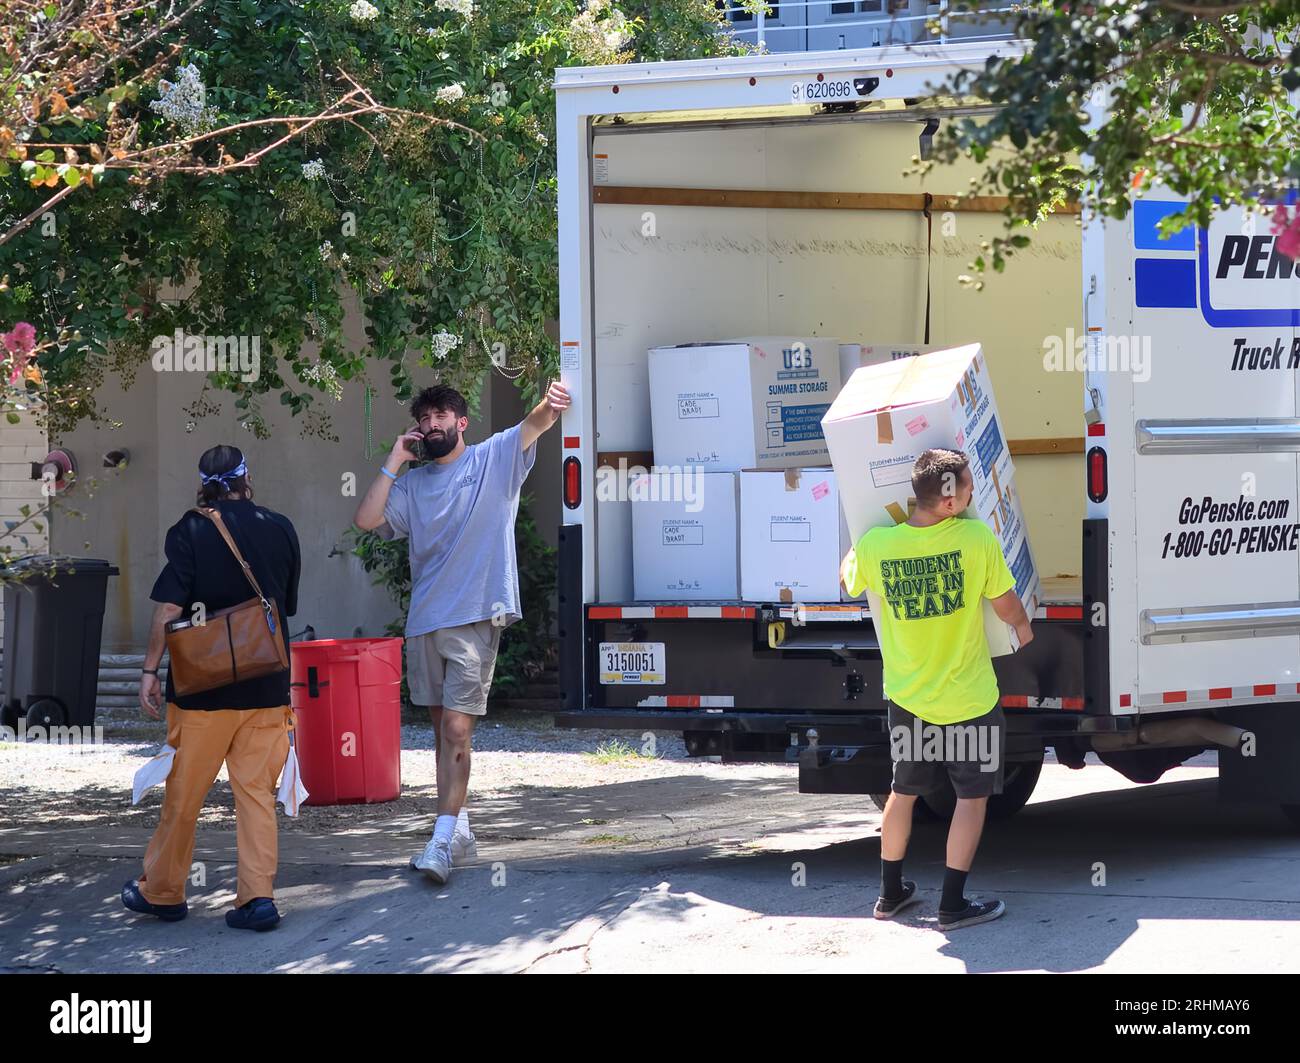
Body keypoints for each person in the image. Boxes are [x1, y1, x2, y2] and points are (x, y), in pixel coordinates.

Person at [353, 380, 570, 885]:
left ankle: (440, 841)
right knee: (441, 733)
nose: (431, 426)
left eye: (440, 417)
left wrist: (552, 400)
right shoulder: (411, 485)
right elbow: (365, 519)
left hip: (474, 617)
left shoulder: (493, 459)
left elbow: (537, 422)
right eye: (423, 420)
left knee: (457, 730)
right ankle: (461, 828)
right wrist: (394, 459)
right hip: (425, 620)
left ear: (461, 422)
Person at [840, 448, 1033, 931]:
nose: (972, 495)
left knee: (902, 792)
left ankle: (889, 895)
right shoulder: (975, 539)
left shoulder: (878, 546)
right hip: (969, 700)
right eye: (967, 488)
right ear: (948, 501)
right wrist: (1024, 630)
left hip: (908, 699)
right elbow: (1006, 605)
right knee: (971, 798)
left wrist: (861, 535)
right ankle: (952, 904)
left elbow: (848, 578)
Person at [122, 445, 301, 931]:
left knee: (184, 796)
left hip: (202, 692)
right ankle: (257, 900)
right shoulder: (280, 526)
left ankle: (162, 892)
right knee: (257, 796)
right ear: (248, 478)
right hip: (267, 687)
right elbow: (286, 604)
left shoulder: (191, 530)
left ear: (203, 483)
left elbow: (167, 611)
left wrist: (149, 671)